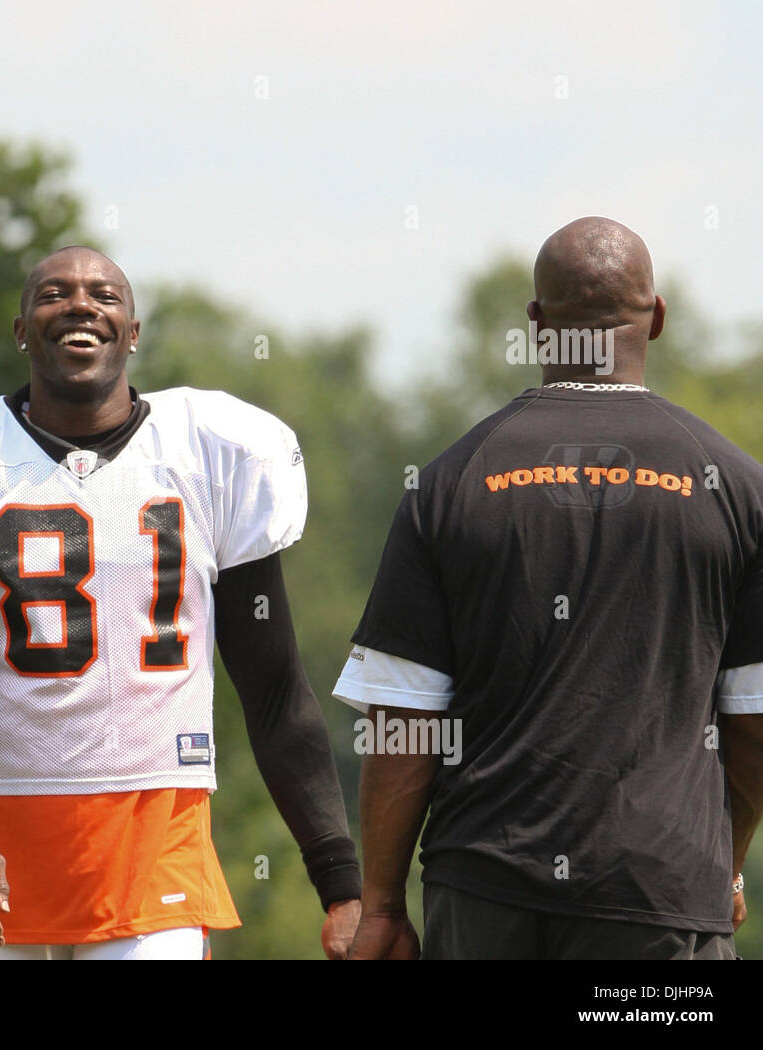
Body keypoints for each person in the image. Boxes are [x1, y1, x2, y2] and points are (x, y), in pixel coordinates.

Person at [0, 245, 361, 959]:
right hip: (1, 846)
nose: (80, 304)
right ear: (21, 330)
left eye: (104, 295)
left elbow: (273, 689)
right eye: (54, 293)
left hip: (156, 835)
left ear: (133, 332)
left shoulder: (210, 452)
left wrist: (341, 884)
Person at [334, 216, 763, 960]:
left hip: (482, 892)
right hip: (659, 892)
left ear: (537, 324)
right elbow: (755, 723)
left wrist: (380, 904)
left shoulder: (449, 482)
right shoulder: (737, 487)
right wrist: (722, 862)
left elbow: (403, 721)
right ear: (657, 318)